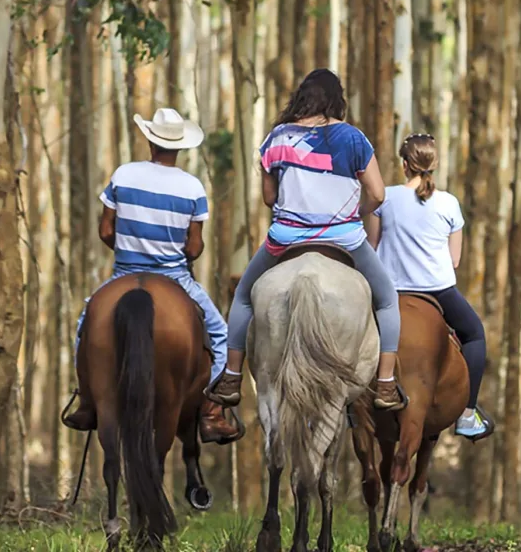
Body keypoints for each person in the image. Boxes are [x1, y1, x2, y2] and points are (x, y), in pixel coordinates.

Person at [203, 69, 407, 411]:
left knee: (243, 296)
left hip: (286, 237)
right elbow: (378, 193)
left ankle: (232, 375)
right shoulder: (353, 138)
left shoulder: (278, 137)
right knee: (387, 299)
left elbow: (269, 198)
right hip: (344, 237)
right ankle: (385, 384)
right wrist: (357, 211)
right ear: (337, 100)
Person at [62, 108, 241, 444]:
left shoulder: (124, 174)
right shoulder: (192, 187)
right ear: (180, 147)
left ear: (150, 141)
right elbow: (194, 246)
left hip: (124, 272)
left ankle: (86, 401)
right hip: (175, 277)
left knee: (85, 323)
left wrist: (127, 249)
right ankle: (211, 412)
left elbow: (105, 230)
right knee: (221, 335)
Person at [364, 133, 491, 439]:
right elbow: (454, 260)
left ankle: (345, 408)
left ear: (404, 164)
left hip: (390, 291)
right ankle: (467, 414)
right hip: (438, 290)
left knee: (346, 333)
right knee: (475, 335)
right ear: (433, 165)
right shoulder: (449, 203)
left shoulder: (385, 198)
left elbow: (372, 246)